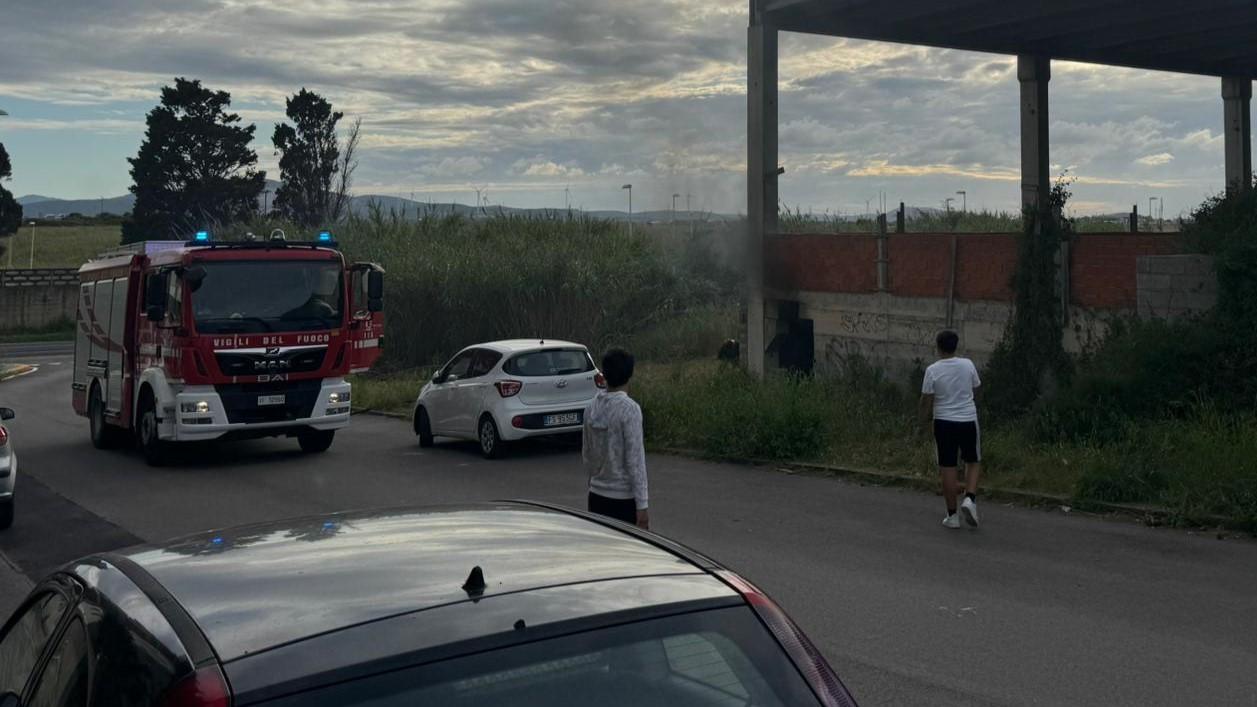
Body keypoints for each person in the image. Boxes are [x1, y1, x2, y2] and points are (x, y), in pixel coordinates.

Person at [919, 330, 982, 529]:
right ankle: (970, 498)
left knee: (948, 467)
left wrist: (922, 421)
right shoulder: (968, 364)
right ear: (956, 346)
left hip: (943, 422)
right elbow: (977, 389)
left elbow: (926, 400)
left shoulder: (932, 370)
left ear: (938, 347)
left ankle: (952, 516)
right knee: (973, 461)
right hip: (968, 419)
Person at [582, 348, 649, 529]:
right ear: (629, 374)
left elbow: (587, 455)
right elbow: (635, 461)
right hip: (623, 500)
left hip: (596, 496)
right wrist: (642, 505)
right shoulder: (630, 409)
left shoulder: (590, 408)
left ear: (604, 374)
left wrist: (594, 482)